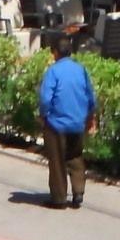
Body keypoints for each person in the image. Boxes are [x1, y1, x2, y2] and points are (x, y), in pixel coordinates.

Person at [35, 34, 95, 210]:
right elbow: (91, 97)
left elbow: (46, 99)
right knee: (75, 156)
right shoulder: (81, 70)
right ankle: (78, 192)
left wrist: (43, 115)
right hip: (78, 122)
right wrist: (90, 117)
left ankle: (59, 198)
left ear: (55, 52)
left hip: (57, 124)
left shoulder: (53, 71)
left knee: (57, 161)